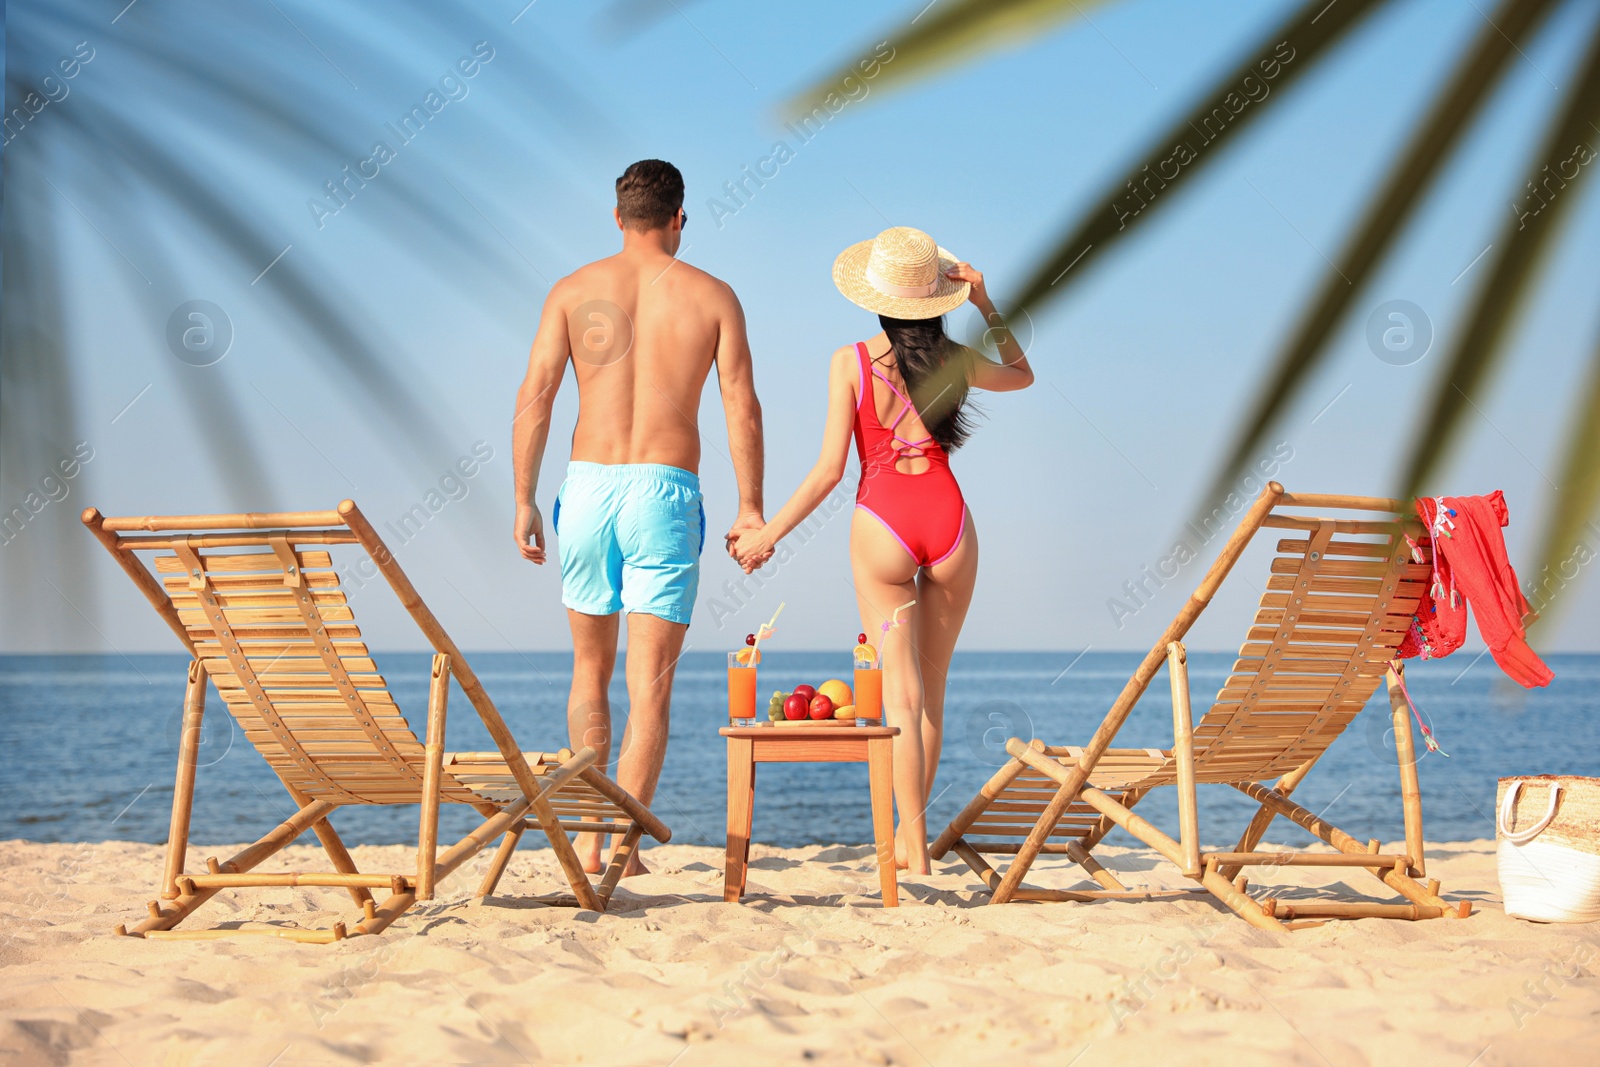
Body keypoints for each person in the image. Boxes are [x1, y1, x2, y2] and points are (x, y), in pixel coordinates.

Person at [729, 226, 1033, 874]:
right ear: (936, 299)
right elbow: (1024, 375)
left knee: (902, 697)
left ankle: (912, 852)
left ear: (877, 296)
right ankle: (911, 846)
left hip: (883, 525)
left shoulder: (849, 361)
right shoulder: (956, 359)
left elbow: (826, 473)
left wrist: (767, 535)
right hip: (949, 522)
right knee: (933, 690)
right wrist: (984, 303)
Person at [513, 159, 765, 875]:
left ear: (617, 216)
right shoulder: (713, 296)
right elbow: (740, 404)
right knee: (648, 678)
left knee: (588, 668)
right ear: (679, 218)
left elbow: (536, 395)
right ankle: (619, 850)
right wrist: (750, 507)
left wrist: (524, 497)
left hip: (588, 486)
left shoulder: (572, 290)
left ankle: (590, 840)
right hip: (664, 487)